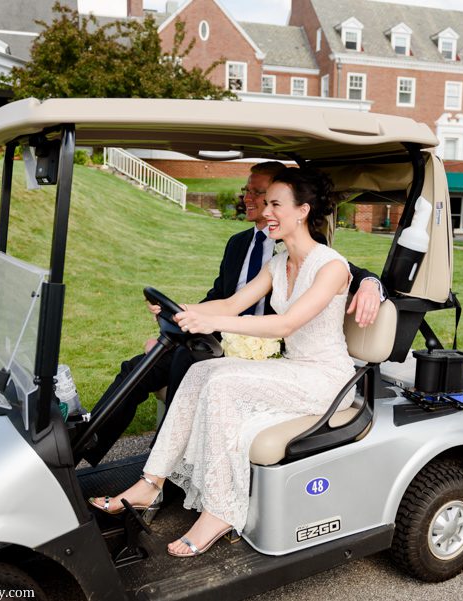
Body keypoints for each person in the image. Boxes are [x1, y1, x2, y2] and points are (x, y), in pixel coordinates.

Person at [89, 168, 356, 558]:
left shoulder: (331, 267)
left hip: (326, 379)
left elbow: (286, 322)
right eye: (265, 204)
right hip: (294, 368)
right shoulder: (279, 263)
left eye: (275, 204)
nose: (266, 212)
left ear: (302, 210)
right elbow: (232, 303)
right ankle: (150, 482)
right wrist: (181, 310)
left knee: (223, 384)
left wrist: (210, 322)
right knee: (202, 371)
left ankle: (221, 510)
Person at [80, 162, 384, 466]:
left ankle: (168, 471)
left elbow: (322, 293)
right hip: (225, 337)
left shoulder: (322, 260)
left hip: (281, 354)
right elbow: (225, 302)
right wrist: (182, 312)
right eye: (253, 194)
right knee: (142, 366)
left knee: (193, 368)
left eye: (267, 198)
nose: (258, 204)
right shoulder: (248, 248)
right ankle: (82, 452)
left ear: (300, 209)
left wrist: (371, 283)